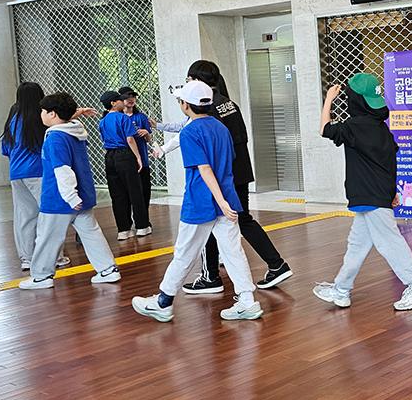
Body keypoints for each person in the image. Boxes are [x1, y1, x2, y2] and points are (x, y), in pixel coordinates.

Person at [154, 60, 292, 292]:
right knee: (241, 220)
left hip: (222, 176)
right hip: (239, 171)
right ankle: (275, 265)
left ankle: (210, 277)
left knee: (211, 221)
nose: (187, 84)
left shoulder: (208, 110)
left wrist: (163, 149)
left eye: (189, 80)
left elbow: (192, 136)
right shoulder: (228, 103)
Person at [131, 80, 262, 322]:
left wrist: (220, 201)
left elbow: (204, 168)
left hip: (201, 201)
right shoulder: (221, 128)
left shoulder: (190, 132)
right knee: (233, 251)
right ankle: (247, 301)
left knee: (184, 252)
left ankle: (163, 302)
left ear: (185, 105)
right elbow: (226, 162)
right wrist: (224, 201)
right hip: (227, 197)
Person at [312, 74, 412, 310]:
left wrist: (328, 99)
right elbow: (390, 163)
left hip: (369, 196)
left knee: (389, 242)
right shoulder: (381, 129)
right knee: (356, 246)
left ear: (354, 101)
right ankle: (341, 289)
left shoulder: (354, 127)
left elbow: (325, 129)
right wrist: (392, 192)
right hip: (375, 196)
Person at [18, 92, 122, 289]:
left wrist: (70, 196)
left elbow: (62, 169)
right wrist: (78, 113)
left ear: (52, 114)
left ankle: (41, 276)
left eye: (43, 111)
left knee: (47, 237)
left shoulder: (55, 137)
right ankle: (108, 269)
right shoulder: (75, 130)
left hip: (60, 198)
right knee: (91, 233)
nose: (41, 114)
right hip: (82, 195)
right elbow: (65, 120)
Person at [1, 82, 71, 271]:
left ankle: (27, 258)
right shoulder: (41, 118)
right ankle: (55, 257)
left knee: (24, 217)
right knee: (50, 214)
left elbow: (5, 149)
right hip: (40, 172)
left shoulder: (13, 119)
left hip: (16, 174)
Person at [99, 90, 152, 241]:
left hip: (110, 156)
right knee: (135, 191)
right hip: (125, 155)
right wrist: (138, 157)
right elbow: (130, 139)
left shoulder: (102, 121)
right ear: (113, 103)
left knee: (117, 194)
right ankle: (142, 226)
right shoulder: (123, 118)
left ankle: (123, 229)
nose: (123, 102)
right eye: (119, 100)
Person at [120, 85, 153, 208]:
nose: (131, 99)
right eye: (127, 97)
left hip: (142, 159)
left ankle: (144, 215)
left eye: (133, 96)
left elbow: (149, 140)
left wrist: (146, 133)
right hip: (126, 159)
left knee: (144, 191)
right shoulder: (119, 118)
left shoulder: (141, 117)